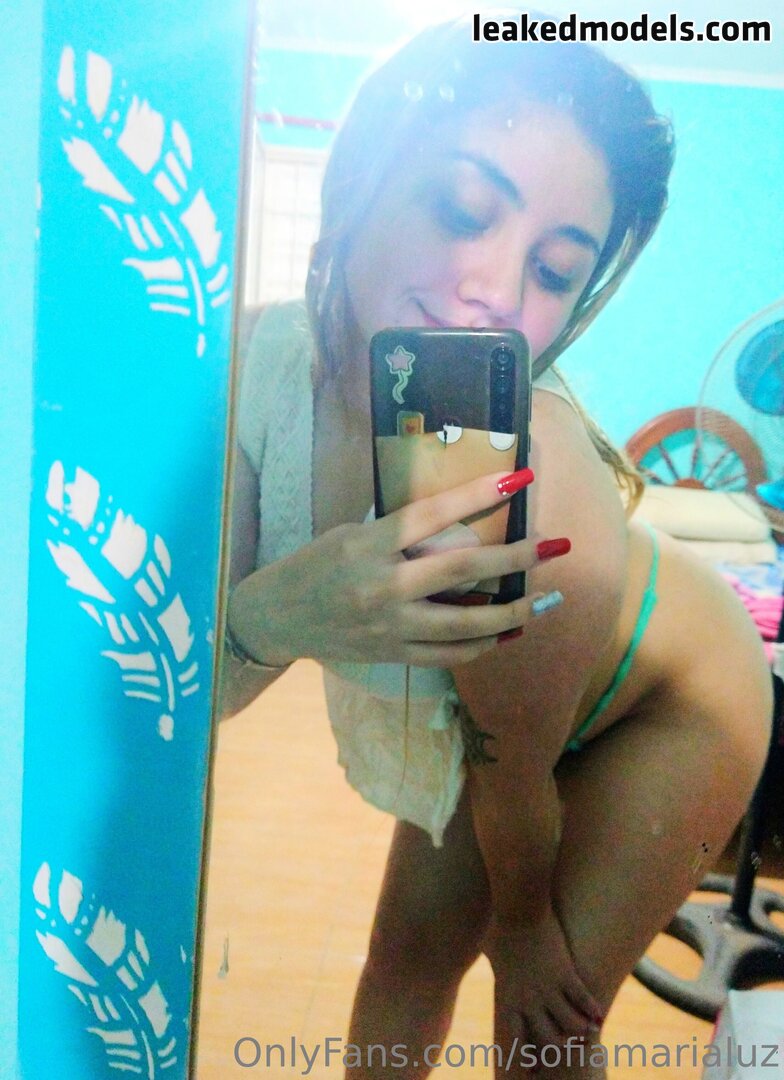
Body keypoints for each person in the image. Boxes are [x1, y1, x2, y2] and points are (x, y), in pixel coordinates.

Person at [222, 15, 773, 1077]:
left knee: (540, 1037)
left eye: (555, 271)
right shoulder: (260, 372)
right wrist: (270, 614)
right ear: (364, 173)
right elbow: (191, 689)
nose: (495, 293)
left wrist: (524, 929)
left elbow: (511, 766)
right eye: (463, 210)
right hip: (492, 728)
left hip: (671, 697)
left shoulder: (533, 482)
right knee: (401, 972)